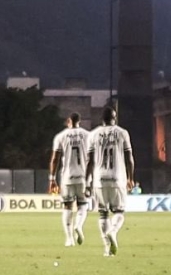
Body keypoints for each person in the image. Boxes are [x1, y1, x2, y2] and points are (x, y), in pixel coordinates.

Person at [85, 107, 135, 258]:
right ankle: (113, 231)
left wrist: (87, 182)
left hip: (99, 178)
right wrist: (131, 178)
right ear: (115, 118)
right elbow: (129, 158)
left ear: (102, 119)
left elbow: (90, 162)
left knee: (102, 214)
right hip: (117, 177)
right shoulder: (122, 133)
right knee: (119, 212)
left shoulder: (93, 134)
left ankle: (107, 247)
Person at [49, 113, 92, 246]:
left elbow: (55, 159)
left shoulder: (61, 136)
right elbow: (93, 158)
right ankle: (78, 225)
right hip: (83, 176)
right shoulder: (88, 135)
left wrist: (52, 179)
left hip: (67, 176)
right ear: (80, 121)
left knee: (67, 206)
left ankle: (69, 239)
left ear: (69, 121)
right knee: (83, 204)